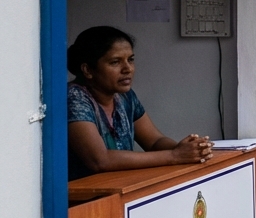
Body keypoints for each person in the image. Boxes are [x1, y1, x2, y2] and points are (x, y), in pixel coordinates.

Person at [66, 26, 213, 181]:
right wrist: (175, 155)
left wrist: (190, 149)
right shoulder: (74, 98)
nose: (127, 69)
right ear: (88, 70)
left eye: (130, 60)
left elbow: (155, 141)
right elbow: (100, 160)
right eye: (115, 62)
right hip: (84, 200)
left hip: (120, 190)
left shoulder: (125, 96)